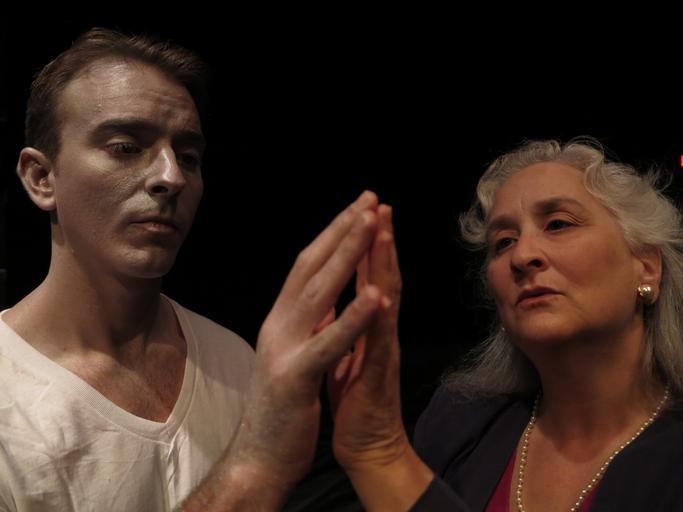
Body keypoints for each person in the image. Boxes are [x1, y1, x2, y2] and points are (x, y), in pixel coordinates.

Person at [1, 26, 397, 511]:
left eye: (188, 157)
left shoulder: (234, 363)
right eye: (125, 146)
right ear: (42, 178)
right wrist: (257, 464)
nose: (171, 177)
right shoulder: (8, 391)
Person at [408, 139, 683, 510]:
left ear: (647, 266)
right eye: (503, 242)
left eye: (558, 224)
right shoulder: (455, 423)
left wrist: (378, 457)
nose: (522, 256)